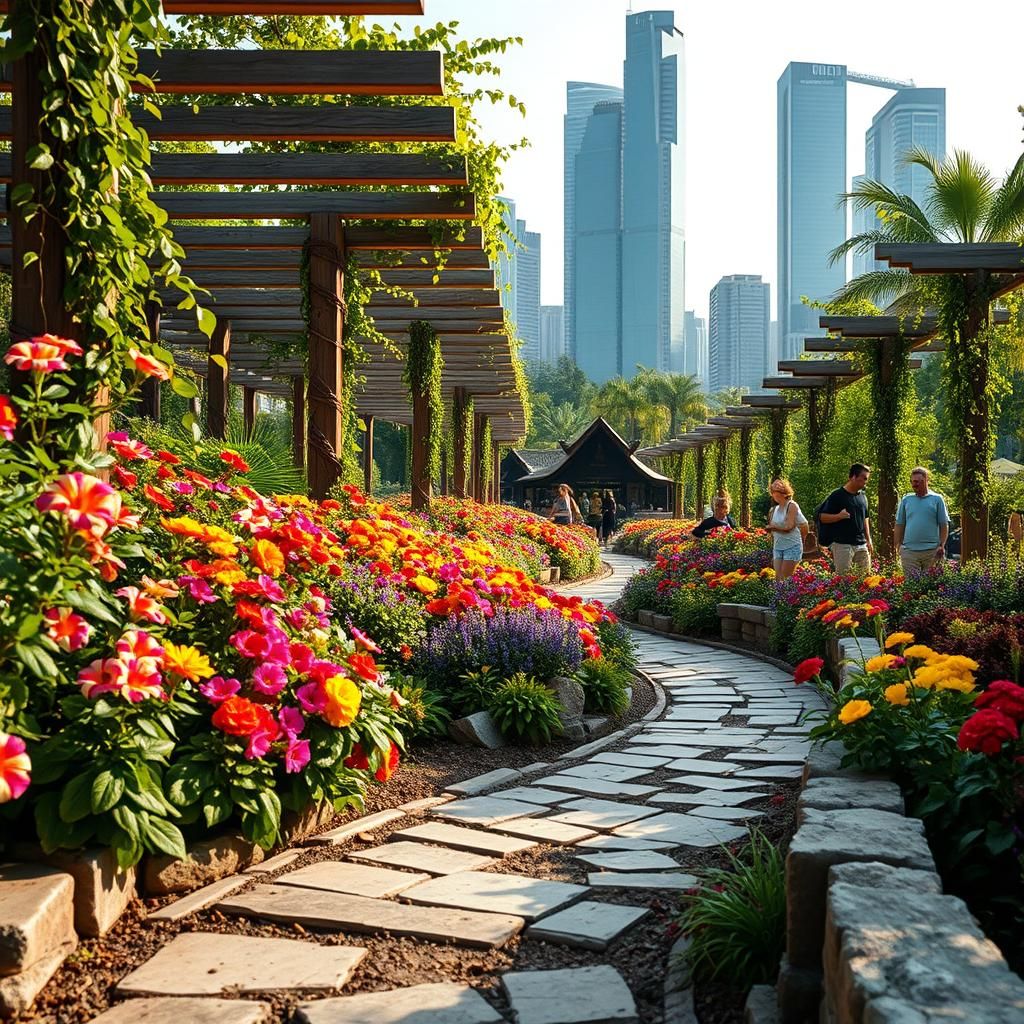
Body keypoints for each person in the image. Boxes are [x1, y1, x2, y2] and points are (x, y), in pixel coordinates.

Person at [818, 463, 874, 573]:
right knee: (844, 580)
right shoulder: (837, 495)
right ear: (853, 477)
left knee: (865, 578)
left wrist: (869, 539)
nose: (866, 482)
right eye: (864, 479)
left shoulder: (863, 496)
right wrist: (838, 516)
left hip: (861, 544)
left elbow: (865, 518)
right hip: (842, 545)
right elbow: (822, 517)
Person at [895, 467, 950, 576]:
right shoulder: (906, 500)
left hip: (932, 552)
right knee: (911, 587)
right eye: (912, 481)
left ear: (925, 481)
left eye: (917, 482)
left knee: (931, 586)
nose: (914, 484)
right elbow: (899, 524)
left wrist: (942, 545)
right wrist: (898, 546)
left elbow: (944, 524)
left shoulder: (937, 499)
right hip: (909, 552)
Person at [766, 478, 803, 580]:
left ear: (784, 492)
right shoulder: (773, 510)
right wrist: (770, 532)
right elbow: (772, 530)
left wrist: (773, 527)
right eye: (773, 491)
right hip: (778, 547)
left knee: (786, 577)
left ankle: (791, 595)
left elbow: (789, 527)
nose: (775, 493)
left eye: (778, 490)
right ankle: (778, 596)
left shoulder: (792, 505)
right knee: (778, 577)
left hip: (792, 546)